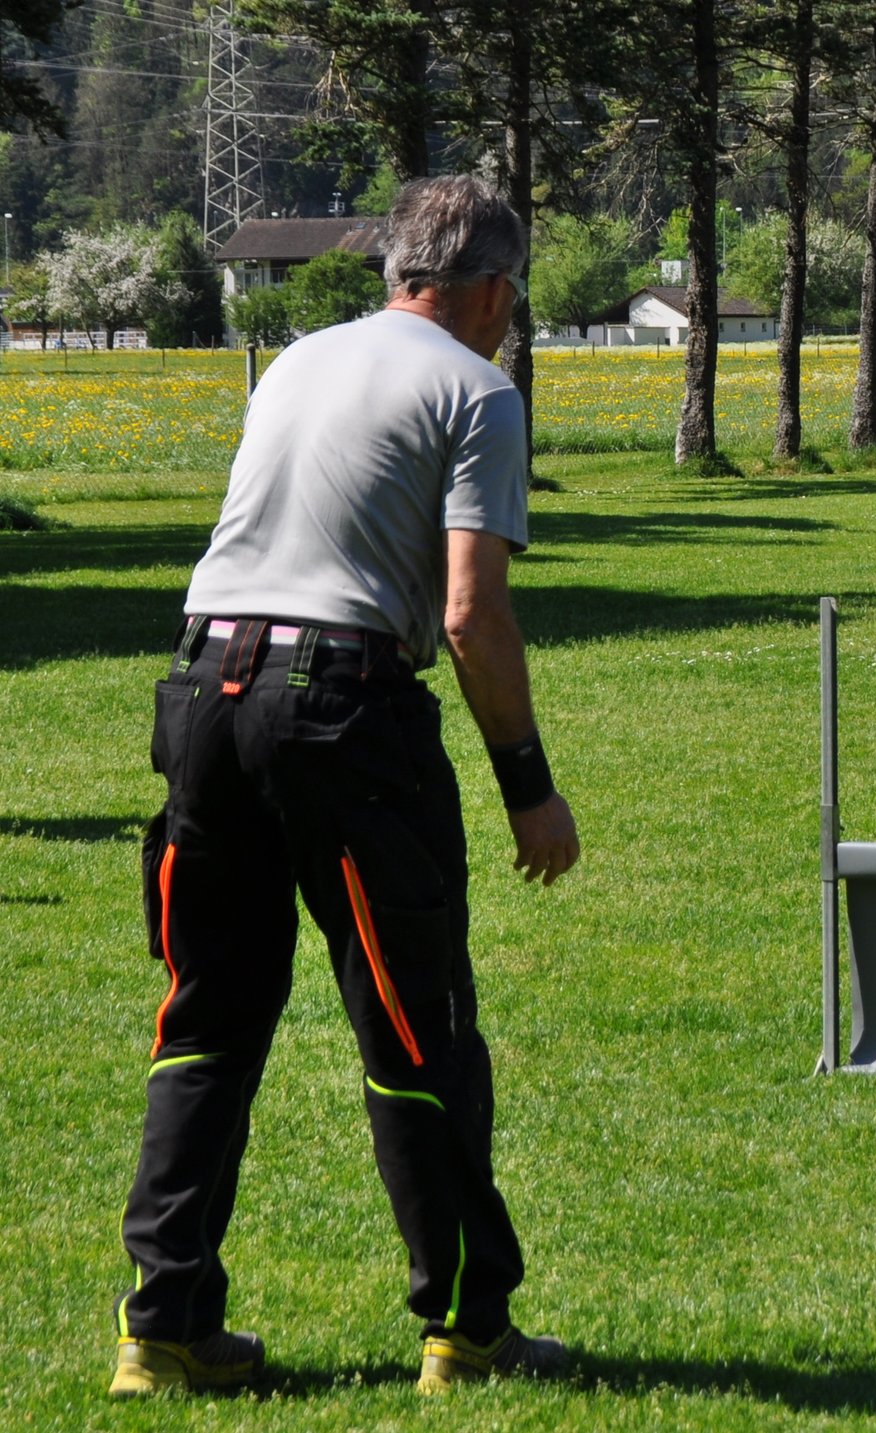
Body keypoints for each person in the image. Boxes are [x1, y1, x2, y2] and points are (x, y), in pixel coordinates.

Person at [110, 174, 579, 1399]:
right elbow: (471, 615)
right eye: (513, 300)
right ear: (491, 290)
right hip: (341, 708)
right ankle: (467, 1328)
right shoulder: (476, 389)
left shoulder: (298, 361)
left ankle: (161, 1328)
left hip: (201, 690)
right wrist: (528, 784)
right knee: (416, 1025)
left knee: (205, 1020)